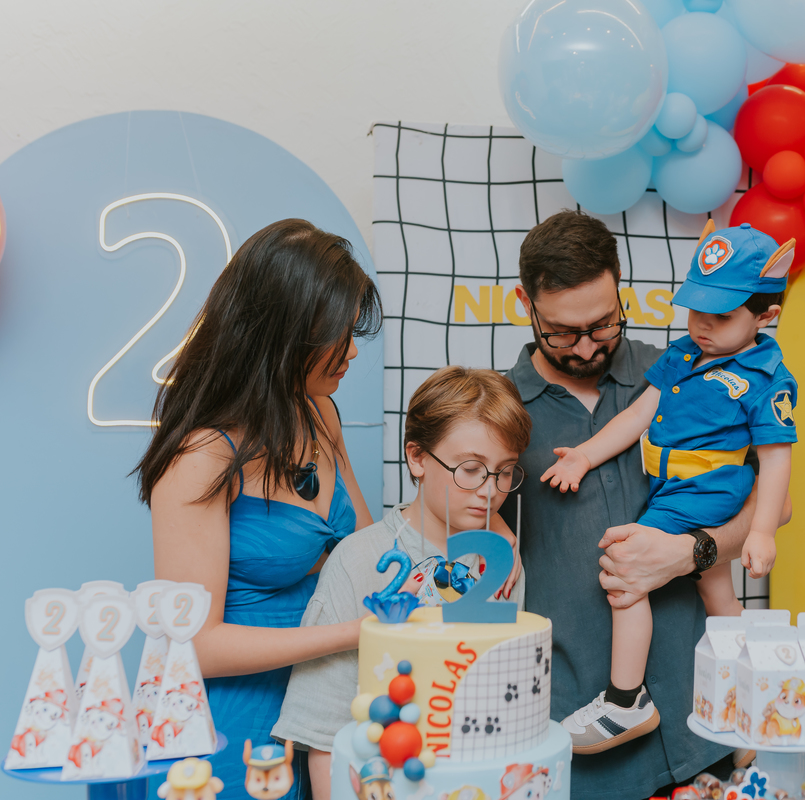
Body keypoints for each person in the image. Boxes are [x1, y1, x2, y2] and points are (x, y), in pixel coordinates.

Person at [501, 210, 791, 800]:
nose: (587, 345)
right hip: (578, 732)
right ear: (525, 304)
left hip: (702, 720)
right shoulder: (498, 414)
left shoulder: (690, 373)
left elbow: (776, 506)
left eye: (603, 324)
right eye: (562, 332)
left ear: (621, 291)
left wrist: (691, 552)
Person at [135, 219, 382, 800]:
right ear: (283, 334)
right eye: (338, 335)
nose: (352, 351)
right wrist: (350, 634)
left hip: (323, 710)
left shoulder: (319, 412)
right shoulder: (201, 455)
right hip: (234, 726)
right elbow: (197, 645)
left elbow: (363, 555)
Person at [271, 366, 529, 800]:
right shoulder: (358, 560)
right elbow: (323, 732)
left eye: (505, 471)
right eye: (471, 469)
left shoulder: (503, 565)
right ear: (417, 457)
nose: (490, 491)